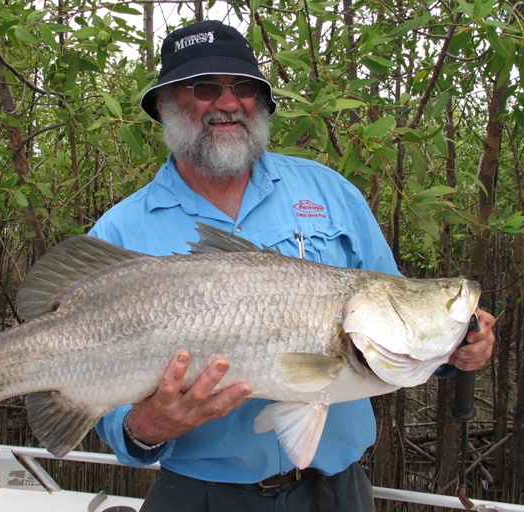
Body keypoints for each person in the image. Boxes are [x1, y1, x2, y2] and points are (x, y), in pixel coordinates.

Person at [90, 20, 496, 512]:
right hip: (201, 498)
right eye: (204, 88)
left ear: (260, 103)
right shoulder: (119, 231)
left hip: (337, 491)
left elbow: (393, 331)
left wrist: (454, 351)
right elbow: (105, 414)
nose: (227, 102)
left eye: (243, 87)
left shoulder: (331, 192)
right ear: (164, 104)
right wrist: (145, 427)